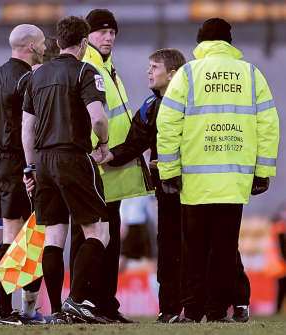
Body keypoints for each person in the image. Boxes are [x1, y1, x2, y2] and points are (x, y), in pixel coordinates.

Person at [156, 18, 279, 322]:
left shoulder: (187, 74)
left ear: (201, 42)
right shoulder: (251, 75)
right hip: (233, 181)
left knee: (194, 249)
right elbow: (269, 126)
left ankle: (192, 310)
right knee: (224, 250)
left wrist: (168, 171)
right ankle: (216, 311)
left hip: (195, 181)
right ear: (229, 41)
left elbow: (168, 125)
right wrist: (262, 171)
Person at [21, 15, 110, 324]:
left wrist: (30, 166)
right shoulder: (87, 71)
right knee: (98, 230)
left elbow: (26, 127)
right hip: (72, 156)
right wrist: (104, 142)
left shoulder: (37, 75)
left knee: (54, 236)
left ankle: (57, 309)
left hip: (42, 162)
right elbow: (97, 117)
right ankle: (76, 300)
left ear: (58, 43)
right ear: (84, 43)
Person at [70, 9, 152, 323]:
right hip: (95, 165)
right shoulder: (87, 66)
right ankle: (84, 301)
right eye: (102, 32)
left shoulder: (107, 66)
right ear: (87, 36)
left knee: (110, 238)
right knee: (88, 238)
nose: (109, 37)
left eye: (113, 32)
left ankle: (105, 303)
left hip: (112, 166)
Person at [96, 48, 186, 323]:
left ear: (172, 74)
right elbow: (136, 143)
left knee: (201, 245)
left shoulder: (192, 105)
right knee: (168, 248)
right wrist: (110, 155)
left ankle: (213, 305)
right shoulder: (149, 106)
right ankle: (169, 309)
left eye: (154, 67)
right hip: (168, 190)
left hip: (198, 188)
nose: (148, 71)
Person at [0, 23, 46, 325]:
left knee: (4, 231)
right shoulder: (28, 78)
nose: (44, 46)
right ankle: (3, 309)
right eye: (41, 42)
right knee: (18, 237)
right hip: (15, 161)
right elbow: (32, 125)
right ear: (31, 47)